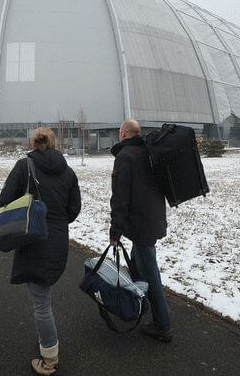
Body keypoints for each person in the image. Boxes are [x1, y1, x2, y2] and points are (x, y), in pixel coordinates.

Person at [0, 127, 81, 375]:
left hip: (32, 239)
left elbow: (4, 200)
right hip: (57, 239)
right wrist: (56, 220)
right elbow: (74, 209)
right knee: (43, 295)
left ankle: (49, 359)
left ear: (33, 143)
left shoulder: (24, 166)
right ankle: (47, 339)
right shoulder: (68, 171)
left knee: (42, 305)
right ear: (55, 144)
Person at [109, 119, 172, 342]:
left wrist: (115, 231)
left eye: (119, 132)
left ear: (124, 133)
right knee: (137, 265)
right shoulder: (149, 152)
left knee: (150, 276)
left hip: (140, 226)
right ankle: (138, 305)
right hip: (152, 221)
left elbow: (120, 197)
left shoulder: (125, 157)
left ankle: (163, 326)